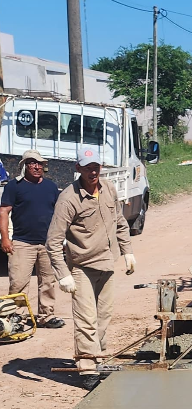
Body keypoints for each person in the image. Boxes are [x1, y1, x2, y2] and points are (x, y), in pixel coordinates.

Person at [46, 146, 136, 390]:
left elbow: (119, 222)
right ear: (78, 169)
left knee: (103, 317)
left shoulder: (108, 189)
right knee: (86, 319)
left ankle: (100, 360)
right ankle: (87, 370)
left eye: (96, 166)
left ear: (101, 167)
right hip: (82, 267)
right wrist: (63, 275)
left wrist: (127, 251)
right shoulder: (69, 199)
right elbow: (53, 242)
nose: (93, 171)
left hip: (107, 263)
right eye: (87, 168)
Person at [0, 150, 64, 329]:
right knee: (19, 283)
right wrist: (5, 238)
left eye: (39, 163)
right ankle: (16, 318)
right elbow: (4, 211)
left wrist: (61, 240)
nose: (36, 167)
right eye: (32, 163)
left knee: (48, 282)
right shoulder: (14, 186)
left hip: (47, 243)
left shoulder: (51, 187)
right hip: (21, 243)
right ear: (24, 166)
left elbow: (59, 215)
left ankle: (46, 316)